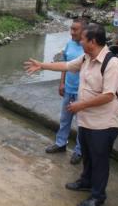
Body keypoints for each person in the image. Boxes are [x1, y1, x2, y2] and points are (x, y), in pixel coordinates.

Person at [25, 23, 118, 206]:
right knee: (87, 155)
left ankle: (98, 196)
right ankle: (86, 182)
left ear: (92, 42)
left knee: (99, 161)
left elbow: (109, 95)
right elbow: (67, 65)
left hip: (103, 124)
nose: (80, 40)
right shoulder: (87, 57)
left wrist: (81, 105)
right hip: (86, 121)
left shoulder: (113, 63)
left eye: (83, 39)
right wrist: (42, 65)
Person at [45, 18, 85, 165]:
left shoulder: (87, 48)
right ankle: (61, 143)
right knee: (65, 119)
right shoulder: (69, 44)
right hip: (69, 88)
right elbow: (65, 66)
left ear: (84, 31)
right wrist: (61, 83)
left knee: (82, 122)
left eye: (75, 29)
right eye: (71, 29)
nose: (72, 32)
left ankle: (79, 151)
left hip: (82, 92)